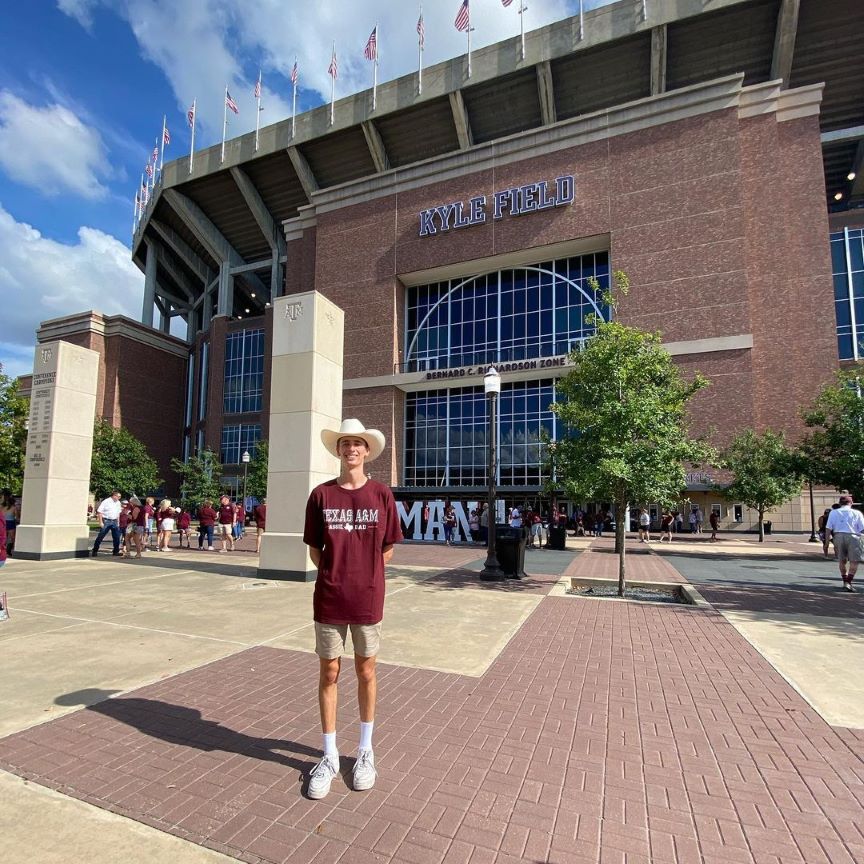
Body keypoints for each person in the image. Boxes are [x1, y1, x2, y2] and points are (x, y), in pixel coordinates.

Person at [303, 418, 402, 799]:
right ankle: (328, 754)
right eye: (345, 444)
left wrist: (364, 574)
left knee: (366, 670)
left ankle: (364, 750)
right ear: (339, 450)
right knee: (329, 671)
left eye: (357, 444)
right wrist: (335, 573)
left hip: (368, 595)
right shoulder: (321, 496)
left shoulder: (381, 495)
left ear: (366, 450)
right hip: (329, 596)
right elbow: (315, 548)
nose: (351, 450)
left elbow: (388, 549)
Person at [825, 495, 864, 592]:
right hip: (853, 536)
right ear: (851, 503)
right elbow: (862, 528)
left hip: (838, 536)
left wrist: (826, 542)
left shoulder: (833, 512)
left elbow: (828, 528)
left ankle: (845, 581)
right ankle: (848, 582)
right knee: (854, 561)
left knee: (842, 560)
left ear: (840, 503)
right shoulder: (857, 513)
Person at [91, 491, 123, 557]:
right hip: (106, 520)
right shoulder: (106, 501)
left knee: (117, 537)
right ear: (114, 496)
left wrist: (118, 522)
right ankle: (95, 550)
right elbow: (99, 512)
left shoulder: (118, 503)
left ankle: (116, 551)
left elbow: (118, 513)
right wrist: (100, 522)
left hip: (114, 521)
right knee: (101, 536)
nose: (119, 498)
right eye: (118, 496)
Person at [1, 490, 18, 557]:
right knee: (6, 538)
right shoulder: (2, 507)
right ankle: (5, 551)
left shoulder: (13, 507)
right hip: (6, 522)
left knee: (12, 537)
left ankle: (10, 550)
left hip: (9, 522)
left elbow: (16, 516)